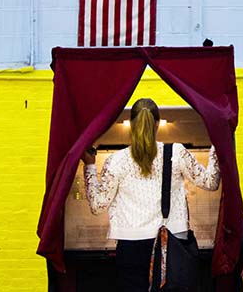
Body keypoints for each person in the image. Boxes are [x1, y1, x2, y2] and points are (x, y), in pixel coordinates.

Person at [80, 98, 220, 292]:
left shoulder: (116, 161)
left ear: (132, 125)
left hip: (131, 246)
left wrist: (89, 165)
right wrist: (217, 143)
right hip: (173, 244)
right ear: (156, 124)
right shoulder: (177, 153)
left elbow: (97, 205)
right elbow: (211, 182)